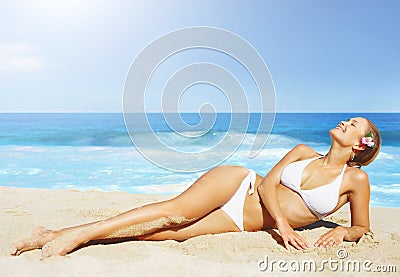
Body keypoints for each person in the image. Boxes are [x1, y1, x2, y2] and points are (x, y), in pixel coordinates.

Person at [11, 117, 381, 257]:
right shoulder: (302, 151)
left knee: (167, 235)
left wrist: (345, 232)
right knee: (173, 211)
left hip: (243, 222)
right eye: (347, 119)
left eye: (354, 125)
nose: (345, 122)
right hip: (239, 186)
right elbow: (268, 187)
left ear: (362, 145)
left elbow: (361, 226)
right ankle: (76, 236)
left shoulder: (355, 180)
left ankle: (54, 233)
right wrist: (284, 225)